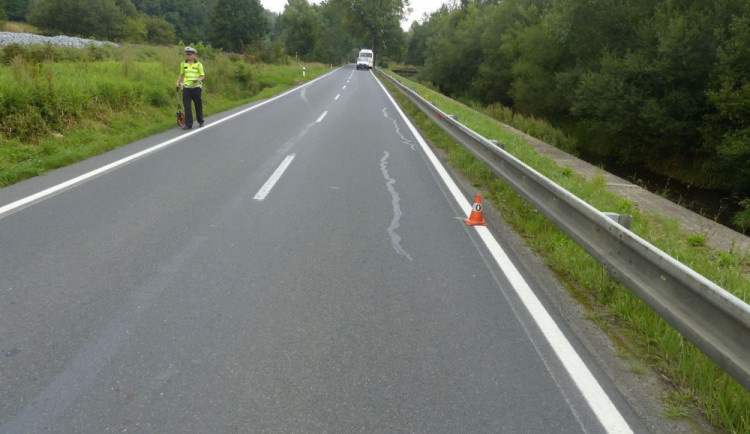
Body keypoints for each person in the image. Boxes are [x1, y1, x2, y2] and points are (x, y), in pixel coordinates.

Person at [176, 46, 205, 130]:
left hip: (196, 88)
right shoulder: (183, 64)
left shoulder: (199, 64)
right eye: (187, 55)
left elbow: (202, 76)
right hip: (186, 88)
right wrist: (177, 82)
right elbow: (182, 75)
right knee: (187, 106)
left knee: (198, 105)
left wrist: (198, 79)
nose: (188, 56)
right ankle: (188, 124)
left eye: (190, 55)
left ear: (194, 55)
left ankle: (201, 121)